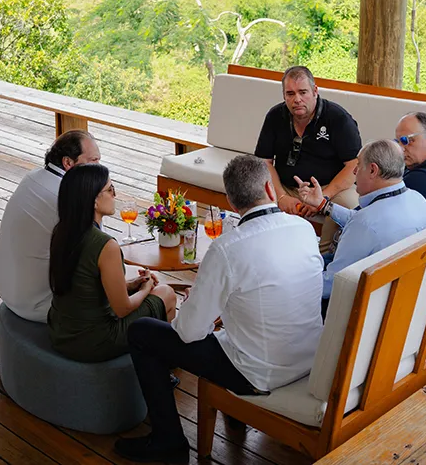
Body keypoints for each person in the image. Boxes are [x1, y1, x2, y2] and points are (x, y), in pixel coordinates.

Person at [114, 155, 323, 464]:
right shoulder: (303, 229)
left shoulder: (227, 247)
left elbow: (188, 332)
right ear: (269, 187)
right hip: (308, 359)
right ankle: (225, 419)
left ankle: (168, 441)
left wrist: (196, 308)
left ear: (230, 201)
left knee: (143, 332)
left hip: (260, 375)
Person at [48, 163, 177, 363]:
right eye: (110, 189)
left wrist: (132, 285)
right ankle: (164, 368)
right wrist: (147, 288)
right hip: (94, 341)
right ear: (93, 201)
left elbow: (85, 287)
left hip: (61, 331)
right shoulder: (105, 245)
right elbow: (122, 309)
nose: (115, 195)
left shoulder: (62, 231)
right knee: (166, 294)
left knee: (149, 294)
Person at [296, 139, 426, 317]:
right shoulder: (417, 199)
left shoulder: (366, 224)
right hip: (397, 292)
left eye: (358, 165)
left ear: (373, 170)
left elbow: (332, 285)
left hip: (359, 308)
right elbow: (365, 222)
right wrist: (324, 205)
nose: (354, 172)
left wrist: (292, 286)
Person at [0, 130, 101, 322]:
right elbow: (96, 256)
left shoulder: (34, 176)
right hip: (38, 303)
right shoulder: (66, 197)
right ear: (68, 163)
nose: (99, 168)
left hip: (7, 288)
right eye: (93, 161)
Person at [255, 66, 361, 253]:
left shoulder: (338, 118)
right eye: (290, 93)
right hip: (285, 186)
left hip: (330, 188)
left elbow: (354, 165)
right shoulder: (274, 116)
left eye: (303, 92)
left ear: (315, 91)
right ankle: (266, 253)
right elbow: (264, 161)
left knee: (350, 204)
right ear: (284, 96)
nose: (297, 99)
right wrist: (281, 196)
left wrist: (323, 198)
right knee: (253, 192)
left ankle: (324, 258)